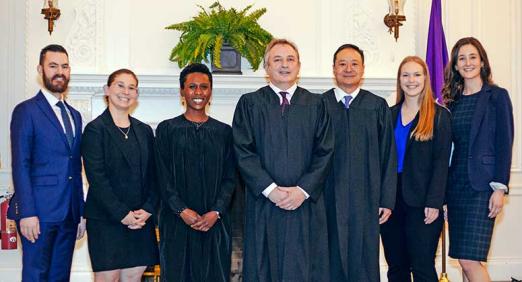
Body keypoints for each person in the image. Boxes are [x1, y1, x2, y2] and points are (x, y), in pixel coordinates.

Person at [233, 38, 334, 282]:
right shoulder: (250, 104)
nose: (284, 65)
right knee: (263, 268)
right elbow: (243, 150)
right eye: (277, 59)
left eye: (290, 59)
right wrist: (270, 190)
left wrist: (302, 190)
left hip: (305, 205)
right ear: (266, 68)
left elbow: (325, 151)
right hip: (265, 204)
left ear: (299, 66)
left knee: (304, 268)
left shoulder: (317, 104)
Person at [7, 44, 85, 281]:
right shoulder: (26, 111)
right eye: (53, 66)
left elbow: (75, 166)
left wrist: (80, 212)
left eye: (64, 66)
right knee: (36, 276)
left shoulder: (75, 115)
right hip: (38, 214)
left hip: (69, 214)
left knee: (60, 277)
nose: (59, 72)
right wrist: (27, 212)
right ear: (40, 69)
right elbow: (20, 165)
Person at [155, 63, 237, 282]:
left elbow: (231, 178)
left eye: (204, 87)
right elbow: (161, 176)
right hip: (176, 223)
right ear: (182, 91)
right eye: (192, 87)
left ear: (211, 91)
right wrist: (181, 210)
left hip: (215, 224)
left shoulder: (224, 132)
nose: (198, 92)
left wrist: (216, 212)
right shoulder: (167, 130)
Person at [322, 43, 397, 282]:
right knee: (328, 256)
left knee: (363, 259)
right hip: (327, 197)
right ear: (333, 69)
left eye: (354, 64)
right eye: (342, 64)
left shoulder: (376, 106)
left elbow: (388, 154)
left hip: (366, 197)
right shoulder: (318, 105)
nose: (348, 69)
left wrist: (386, 199)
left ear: (363, 69)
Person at [443, 37, 513, 281]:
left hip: (483, 188)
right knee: (464, 260)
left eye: (472, 57)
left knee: (469, 260)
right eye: (461, 58)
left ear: (482, 61)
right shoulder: (453, 101)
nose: (467, 62)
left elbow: (505, 143)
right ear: (455, 66)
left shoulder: (497, 96)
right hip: (457, 188)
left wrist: (499, 187)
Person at [81, 69, 159, 281]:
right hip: (106, 220)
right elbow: (97, 179)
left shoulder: (144, 131)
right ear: (107, 90)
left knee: (134, 277)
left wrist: (148, 210)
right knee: (109, 278)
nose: (126, 92)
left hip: (140, 220)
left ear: (136, 94)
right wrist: (122, 214)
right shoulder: (95, 130)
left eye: (131, 87)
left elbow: (155, 175)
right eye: (120, 85)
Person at [380, 56, 452, 282]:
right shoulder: (388, 115)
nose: (411, 80)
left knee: (422, 266)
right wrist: (382, 198)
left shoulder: (439, 115)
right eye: (405, 75)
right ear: (399, 80)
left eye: (417, 74)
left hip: (423, 201)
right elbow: (381, 161)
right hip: (391, 201)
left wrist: (434, 202)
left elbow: (442, 162)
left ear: (425, 79)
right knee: (396, 266)